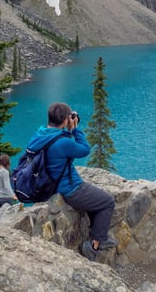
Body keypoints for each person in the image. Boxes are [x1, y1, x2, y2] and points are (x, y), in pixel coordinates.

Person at [26, 101, 116, 261]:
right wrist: (75, 129)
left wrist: (66, 130)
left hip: (49, 186)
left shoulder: (40, 134)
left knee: (97, 199)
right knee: (108, 201)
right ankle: (94, 245)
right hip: (71, 189)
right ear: (66, 120)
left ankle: (97, 233)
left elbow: (59, 147)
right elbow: (84, 150)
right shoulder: (63, 142)